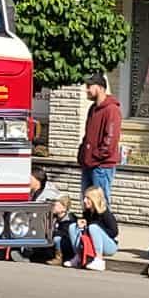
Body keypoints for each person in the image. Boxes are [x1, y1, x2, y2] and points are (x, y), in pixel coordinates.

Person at [77, 73, 122, 204]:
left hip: (101, 166)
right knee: (87, 202)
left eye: (89, 86)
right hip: (88, 164)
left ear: (101, 88)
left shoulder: (111, 109)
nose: (86, 89)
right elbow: (88, 135)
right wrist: (82, 154)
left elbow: (111, 138)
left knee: (100, 203)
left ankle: (102, 225)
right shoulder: (93, 108)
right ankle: (89, 224)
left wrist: (97, 155)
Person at [56, 183, 119, 270]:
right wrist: (82, 224)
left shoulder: (105, 213)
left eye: (88, 198)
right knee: (73, 226)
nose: (84, 200)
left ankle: (99, 260)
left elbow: (114, 232)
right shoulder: (87, 212)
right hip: (92, 243)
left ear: (95, 199)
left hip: (109, 246)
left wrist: (95, 227)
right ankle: (78, 256)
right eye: (84, 197)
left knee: (93, 227)